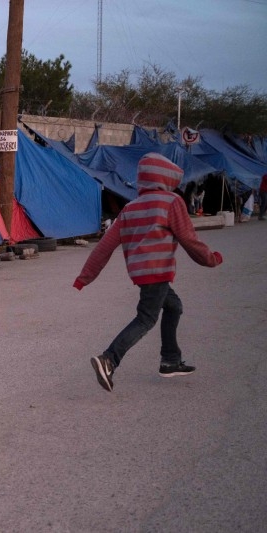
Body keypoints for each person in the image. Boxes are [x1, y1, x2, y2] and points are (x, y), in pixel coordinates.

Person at [73, 153, 223, 392]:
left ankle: (170, 360)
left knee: (174, 307)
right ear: (167, 177)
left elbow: (105, 245)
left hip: (142, 274)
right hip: (158, 271)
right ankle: (109, 359)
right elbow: (189, 239)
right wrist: (210, 259)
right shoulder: (172, 201)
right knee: (146, 318)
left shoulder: (130, 207)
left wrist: (85, 277)